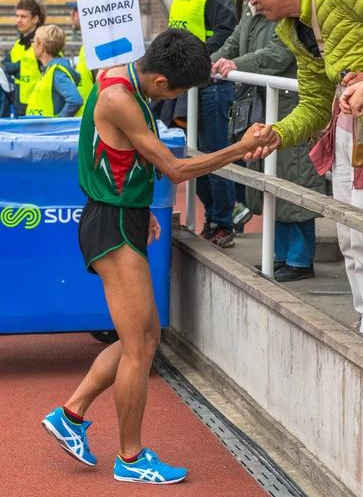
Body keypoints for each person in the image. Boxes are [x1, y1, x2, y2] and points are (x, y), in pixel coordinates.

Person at [41, 28, 271, 484]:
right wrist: (241, 148)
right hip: (109, 223)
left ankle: (71, 414)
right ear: (162, 81)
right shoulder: (119, 96)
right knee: (140, 346)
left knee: (141, 340)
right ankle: (130, 458)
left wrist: (142, 206)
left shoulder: (128, 77)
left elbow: (125, 153)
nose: (180, 98)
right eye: (181, 90)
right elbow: (175, 168)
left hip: (122, 214)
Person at [241, 0, 363, 341]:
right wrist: (278, 133)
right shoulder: (292, 27)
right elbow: (314, 102)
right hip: (356, 133)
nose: (250, 1)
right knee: (353, 233)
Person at [211, 0, 324, 281]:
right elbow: (233, 44)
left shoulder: (287, 12)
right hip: (264, 106)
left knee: (292, 180)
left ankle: (299, 260)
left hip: (289, 107)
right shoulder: (251, 11)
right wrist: (212, 64)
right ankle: (280, 255)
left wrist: (233, 64)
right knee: (269, 182)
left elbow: (277, 55)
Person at [165, 0, 238, 248]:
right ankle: (212, 216)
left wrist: (194, 60)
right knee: (196, 157)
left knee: (215, 155)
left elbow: (226, 32)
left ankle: (224, 221)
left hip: (211, 87)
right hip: (189, 86)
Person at [26, 24, 83, 117]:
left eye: (34, 41)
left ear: (41, 46)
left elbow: (75, 100)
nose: (32, 46)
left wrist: (58, 123)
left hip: (50, 129)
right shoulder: (49, 70)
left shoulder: (57, 72)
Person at [2, 0, 46, 116]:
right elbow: (4, 66)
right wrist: (20, 66)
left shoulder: (44, 43)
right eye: (17, 16)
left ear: (35, 19)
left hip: (39, 106)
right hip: (19, 105)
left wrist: (16, 67)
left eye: (23, 16)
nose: (18, 20)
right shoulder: (19, 44)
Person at [66, 0, 95, 114]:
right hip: (84, 119)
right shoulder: (87, 45)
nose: (71, 14)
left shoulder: (96, 46)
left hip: (93, 121)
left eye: (76, 10)